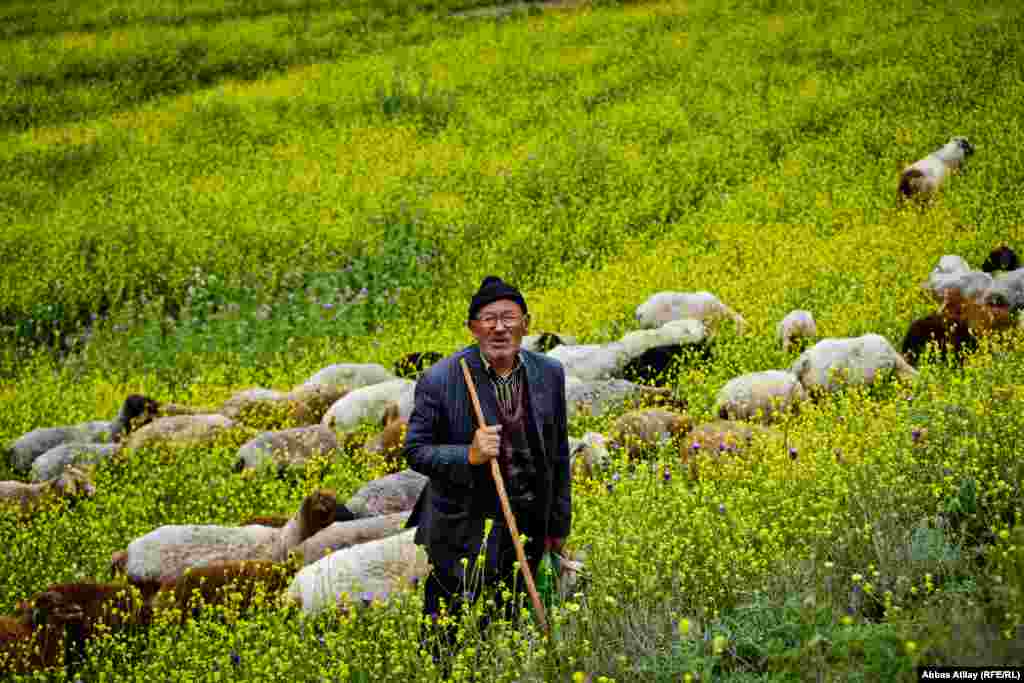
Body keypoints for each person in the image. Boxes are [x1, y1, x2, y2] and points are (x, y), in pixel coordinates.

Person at [403, 275, 572, 662]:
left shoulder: (549, 372)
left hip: (527, 521)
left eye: (509, 317)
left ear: (526, 323)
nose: (499, 327)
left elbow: (558, 453)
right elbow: (415, 450)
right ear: (473, 327)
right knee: (445, 635)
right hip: (461, 530)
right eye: (488, 319)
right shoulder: (441, 378)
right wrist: (469, 455)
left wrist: (558, 525)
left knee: (509, 627)